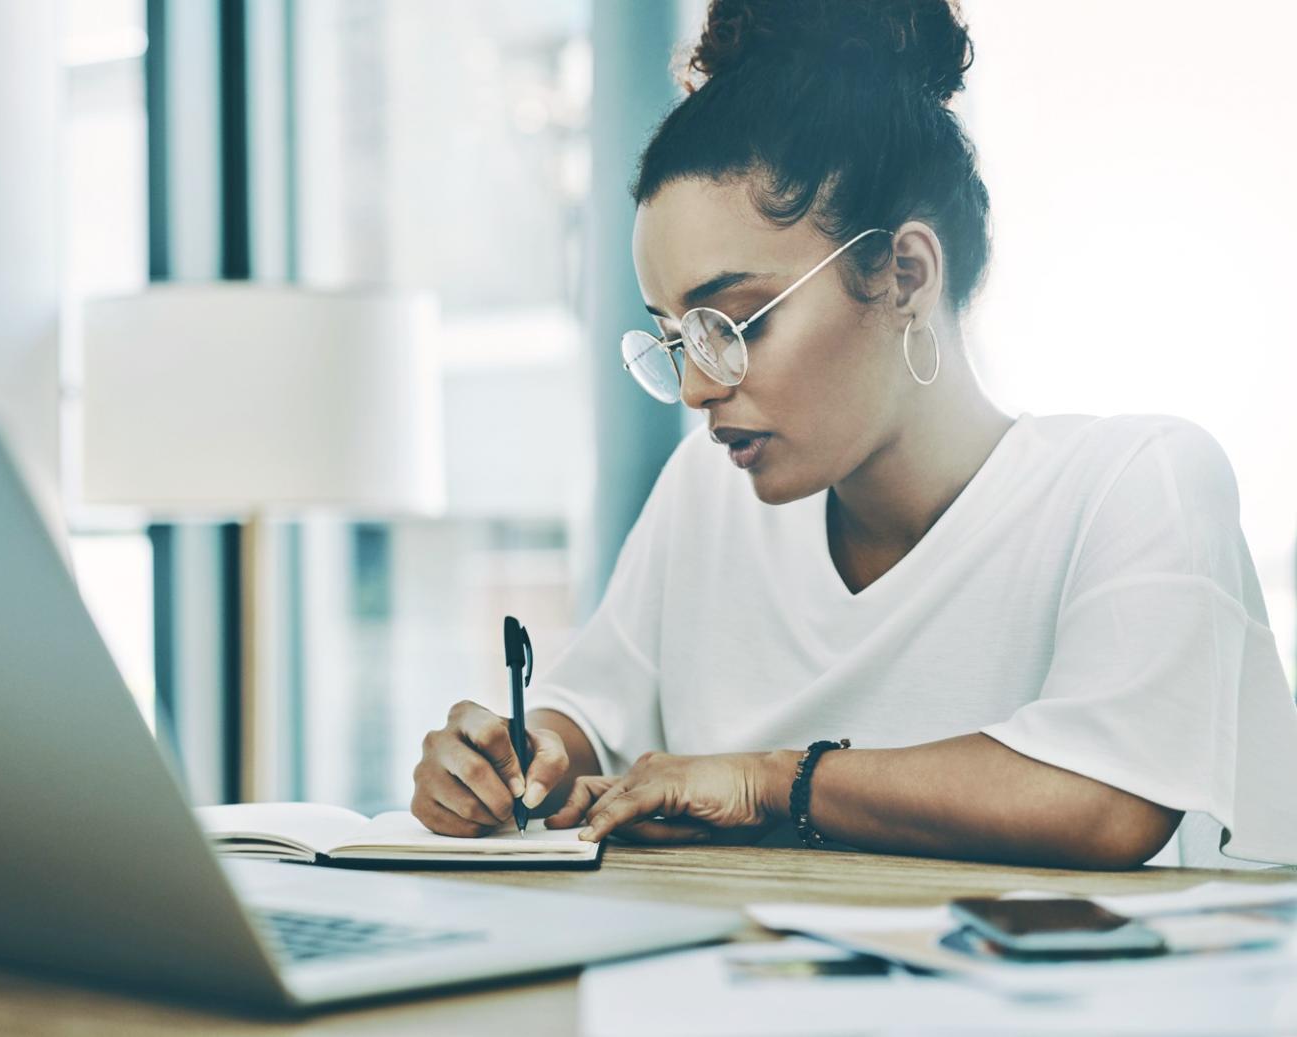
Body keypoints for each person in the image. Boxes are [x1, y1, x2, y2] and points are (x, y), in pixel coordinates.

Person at [409, 0, 1297, 870]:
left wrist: (769, 782)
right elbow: (588, 720)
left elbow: (1107, 798)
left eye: (735, 326)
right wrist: (514, 760)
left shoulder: (1137, 484)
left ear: (905, 272)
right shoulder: (707, 496)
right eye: (676, 339)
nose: (692, 387)